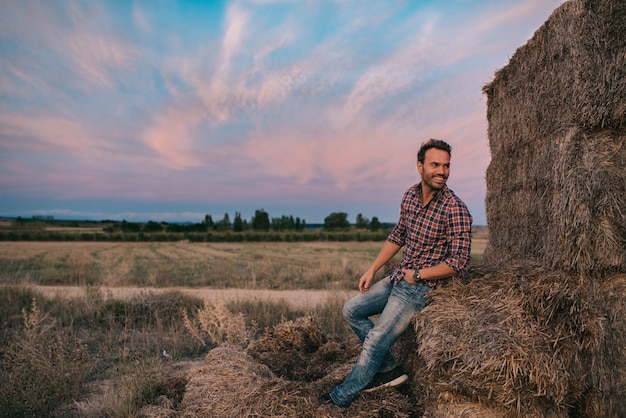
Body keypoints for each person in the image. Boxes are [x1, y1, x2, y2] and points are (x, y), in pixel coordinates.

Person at [321, 138, 472, 408]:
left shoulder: (454, 208)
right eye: (435, 164)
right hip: (399, 277)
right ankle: (390, 369)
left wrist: (420, 276)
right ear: (420, 166)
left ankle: (340, 398)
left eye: (446, 166)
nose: (442, 171)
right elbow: (398, 235)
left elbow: (459, 262)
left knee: (376, 340)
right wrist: (373, 268)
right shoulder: (409, 196)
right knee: (351, 310)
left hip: (420, 287)